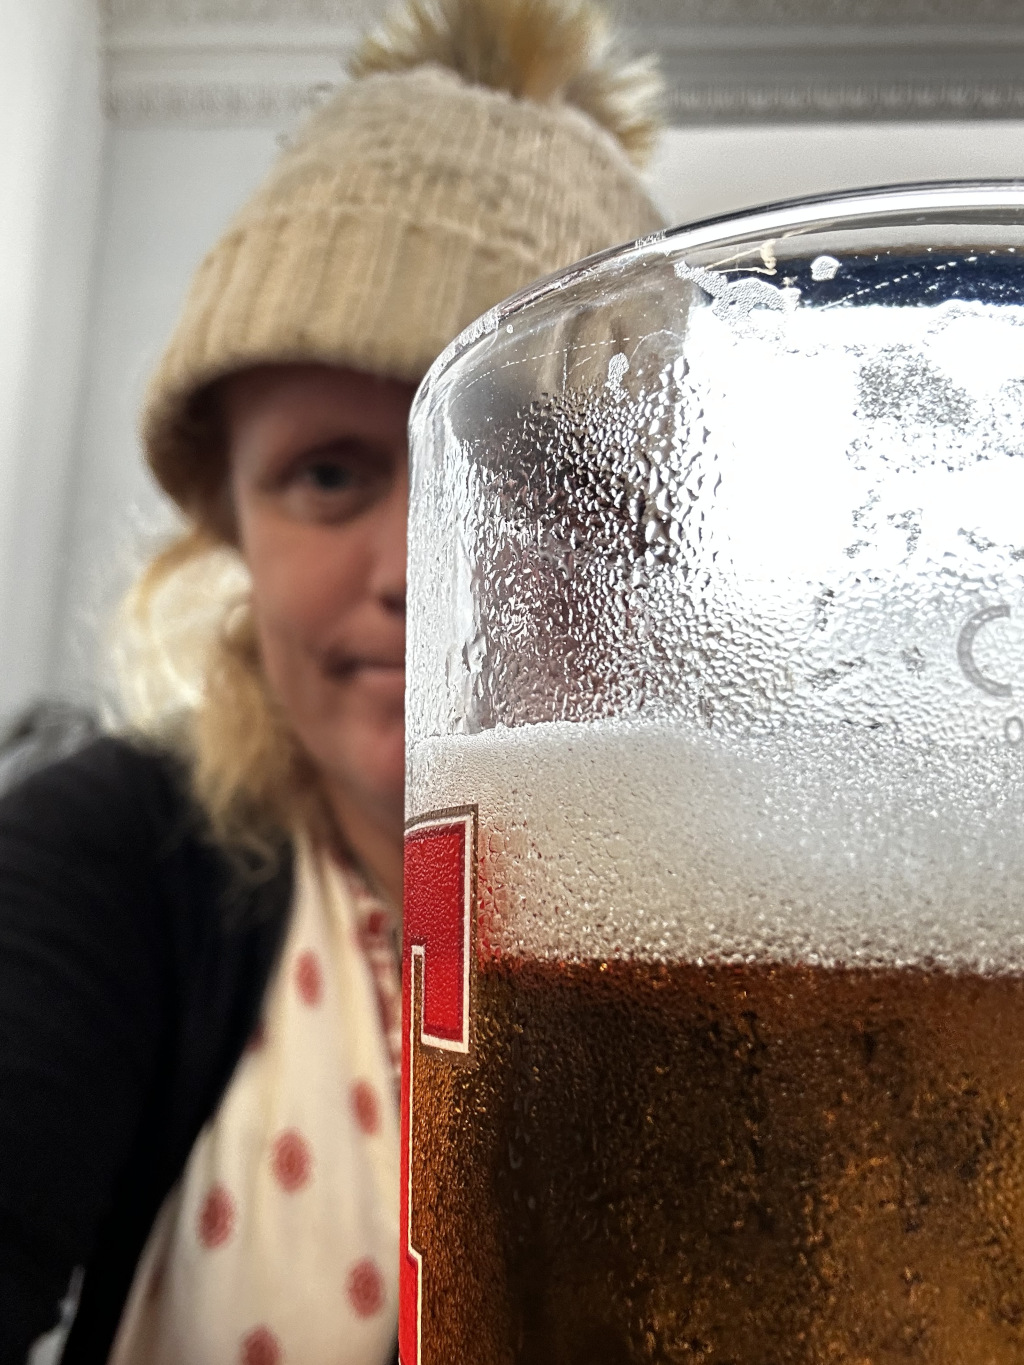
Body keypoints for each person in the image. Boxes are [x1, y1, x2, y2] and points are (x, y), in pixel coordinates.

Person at [0, 0, 665, 1359]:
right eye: (329, 472)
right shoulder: (118, 858)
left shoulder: (724, 946)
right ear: (232, 529)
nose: (424, 571)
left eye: (522, 472)